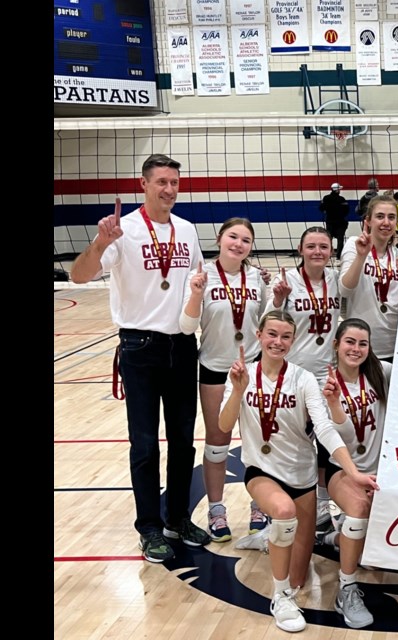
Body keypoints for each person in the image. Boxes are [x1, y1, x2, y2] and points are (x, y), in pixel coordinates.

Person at [70, 154, 211, 562]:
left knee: (183, 442)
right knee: (145, 445)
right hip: (139, 348)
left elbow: (194, 284)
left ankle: (177, 519)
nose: (169, 189)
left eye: (175, 182)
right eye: (162, 181)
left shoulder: (186, 230)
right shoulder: (123, 230)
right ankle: (149, 528)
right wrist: (100, 243)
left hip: (183, 347)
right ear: (144, 185)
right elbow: (79, 276)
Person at [218, 311, 379, 633]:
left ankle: (271, 542)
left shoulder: (303, 378)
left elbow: (325, 428)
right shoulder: (242, 375)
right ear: (259, 334)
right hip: (262, 469)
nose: (278, 342)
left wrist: (352, 473)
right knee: (283, 511)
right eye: (272, 334)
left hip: (302, 476)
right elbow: (223, 426)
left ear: (293, 339)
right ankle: (279, 598)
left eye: (286, 336)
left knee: (299, 577)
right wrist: (238, 390)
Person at [179, 218, 270, 542]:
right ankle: (216, 509)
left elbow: (269, 323)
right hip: (215, 368)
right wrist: (195, 294)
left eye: (246, 240)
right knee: (218, 443)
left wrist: (279, 296)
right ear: (220, 238)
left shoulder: (258, 278)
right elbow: (188, 326)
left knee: (258, 442)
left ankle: (260, 505)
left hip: (254, 368)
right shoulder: (201, 275)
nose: (239, 244)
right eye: (233, 236)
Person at [264, 226, 343, 535]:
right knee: (290, 444)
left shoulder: (336, 280)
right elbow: (268, 324)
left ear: (331, 251)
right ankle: (277, 510)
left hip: (326, 375)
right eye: (311, 246)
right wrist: (277, 299)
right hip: (293, 375)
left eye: (323, 246)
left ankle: (322, 506)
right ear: (300, 250)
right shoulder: (287, 282)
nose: (317, 252)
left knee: (325, 444)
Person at [315, 319, 392, 628]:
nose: (356, 349)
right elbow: (339, 437)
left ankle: (333, 537)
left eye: (363, 343)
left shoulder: (381, 373)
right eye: (350, 342)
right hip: (343, 470)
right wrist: (334, 403)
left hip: (383, 469)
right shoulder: (323, 384)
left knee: (372, 548)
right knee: (359, 510)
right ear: (336, 344)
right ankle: (346, 588)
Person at [340, 195, 398, 363]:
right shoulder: (354, 244)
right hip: (360, 348)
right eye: (380, 216)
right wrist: (361, 256)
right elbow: (345, 290)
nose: (386, 222)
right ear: (368, 221)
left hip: (395, 347)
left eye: (391, 217)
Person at [321, 183, 349, 261]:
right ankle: (338, 256)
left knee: (328, 239)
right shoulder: (341, 199)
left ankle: (328, 254)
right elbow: (346, 210)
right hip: (340, 222)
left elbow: (321, 208)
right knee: (340, 239)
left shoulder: (326, 198)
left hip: (330, 222)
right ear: (337, 190)